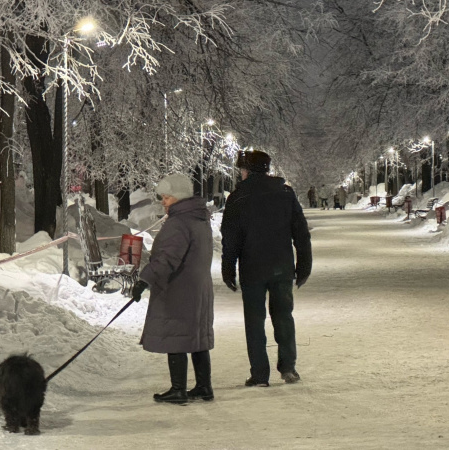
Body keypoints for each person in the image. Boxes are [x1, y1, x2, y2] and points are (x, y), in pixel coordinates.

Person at [220, 151, 312, 387]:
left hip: (252, 269)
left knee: (254, 321)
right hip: (281, 267)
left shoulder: (238, 197)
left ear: (247, 170)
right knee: (283, 317)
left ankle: (260, 374)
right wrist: (304, 265)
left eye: (242, 169)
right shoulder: (285, 193)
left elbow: (231, 239)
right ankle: (288, 368)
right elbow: (300, 232)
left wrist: (228, 269)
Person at [130, 173, 215, 404]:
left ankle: (179, 389)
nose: (163, 202)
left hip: (179, 288)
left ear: (178, 197)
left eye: (167, 197)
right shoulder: (199, 218)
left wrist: (144, 280)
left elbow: (166, 259)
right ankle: (204, 386)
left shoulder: (178, 223)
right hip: (198, 286)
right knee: (196, 337)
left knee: (176, 335)